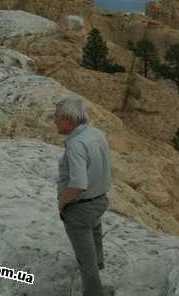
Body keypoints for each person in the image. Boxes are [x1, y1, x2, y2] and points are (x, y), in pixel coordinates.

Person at [55, 97, 112, 296]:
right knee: (94, 236)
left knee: (85, 259)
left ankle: (94, 291)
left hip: (81, 208)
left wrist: (62, 202)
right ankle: (98, 271)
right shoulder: (97, 133)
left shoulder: (76, 145)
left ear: (68, 119)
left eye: (57, 117)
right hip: (100, 200)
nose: (54, 121)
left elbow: (78, 185)